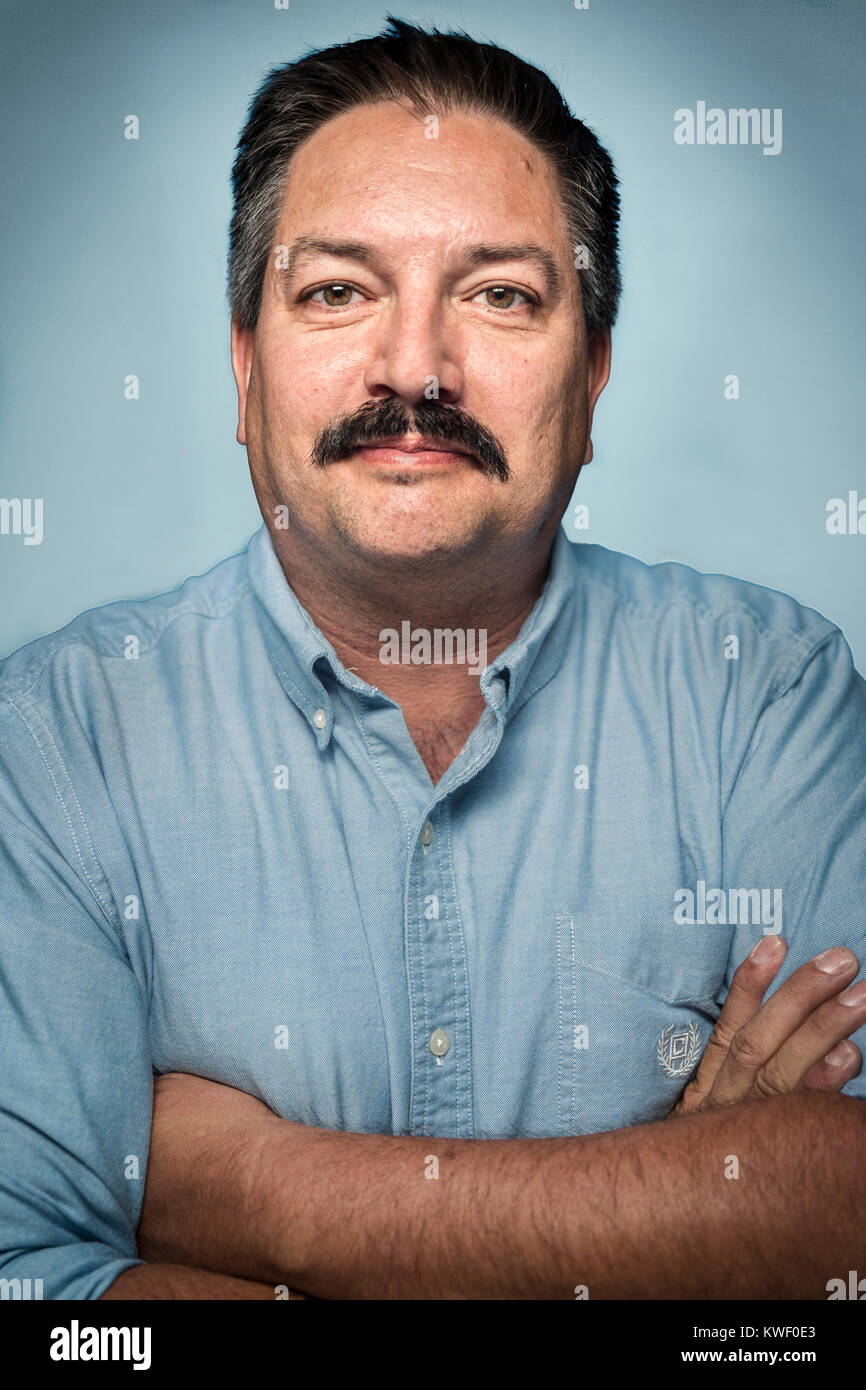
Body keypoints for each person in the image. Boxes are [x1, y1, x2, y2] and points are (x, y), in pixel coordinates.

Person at [2, 17, 864, 1302]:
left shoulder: (766, 688)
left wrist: (249, 1190)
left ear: (592, 381)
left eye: (501, 295)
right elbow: (37, 1301)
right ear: (244, 371)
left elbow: (842, 1212)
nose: (415, 367)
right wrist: (684, 1205)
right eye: (338, 290)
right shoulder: (56, 736)